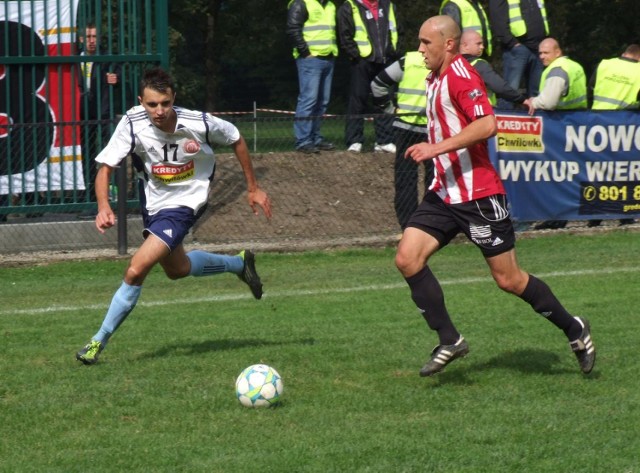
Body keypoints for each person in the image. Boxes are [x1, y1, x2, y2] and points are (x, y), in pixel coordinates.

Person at [396, 15, 595, 378]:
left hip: (478, 196)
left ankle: (574, 329)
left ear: (449, 44)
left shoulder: (461, 75)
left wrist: (435, 148)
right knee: (408, 259)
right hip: (445, 192)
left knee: (509, 280)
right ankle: (450, 340)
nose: (420, 49)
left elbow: (488, 124)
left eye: (426, 43)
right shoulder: (434, 77)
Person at [75, 67, 272, 365]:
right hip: (154, 202)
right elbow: (105, 168)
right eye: (152, 104)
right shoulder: (131, 123)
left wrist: (253, 188)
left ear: (173, 99)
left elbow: (236, 138)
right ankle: (239, 264)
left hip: (187, 201)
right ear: (141, 101)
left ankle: (96, 342)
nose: (159, 111)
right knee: (177, 269)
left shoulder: (198, 122)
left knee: (136, 268)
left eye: (165, 103)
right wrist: (103, 205)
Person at [523, 38, 587, 230]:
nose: (542, 56)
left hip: (561, 125)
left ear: (557, 52)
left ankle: (557, 216)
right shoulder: (572, 65)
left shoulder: (558, 69)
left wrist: (533, 102)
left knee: (557, 174)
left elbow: (549, 102)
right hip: (576, 124)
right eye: (540, 53)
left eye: (546, 53)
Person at [371, 51, 433, 229]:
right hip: (433, 130)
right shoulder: (444, 62)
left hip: (406, 127)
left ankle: (408, 225)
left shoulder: (408, 61)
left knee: (405, 178)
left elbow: (377, 84)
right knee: (436, 178)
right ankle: (433, 221)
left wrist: (389, 110)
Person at [587, 44, 640, 227]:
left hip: (596, 123)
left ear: (624, 53)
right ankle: (625, 215)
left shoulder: (605, 64)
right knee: (623, 170)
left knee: (597, 170)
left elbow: (591, 87)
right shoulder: (639, 70)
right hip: (622, 125)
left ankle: (595, 216)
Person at [337, 0, 401, 154]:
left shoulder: (388, 5)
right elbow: (345, 35)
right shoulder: (349, 6)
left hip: (386, 60)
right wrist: (356, 56)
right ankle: (354, 141)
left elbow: (399, 31)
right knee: (358, 99)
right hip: (363, 61)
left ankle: (384, 140)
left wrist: (394, 52)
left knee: (384, 99)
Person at [79, 23, 127, 213]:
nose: (91, 41)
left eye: (94, 37)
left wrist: (117, 78)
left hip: (104, 113)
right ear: (81, 39)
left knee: (110, 154)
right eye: (88, 37)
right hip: (81, 115)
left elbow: (121, 74)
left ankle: (113, 195)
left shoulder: (107, 58)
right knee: (86, 155)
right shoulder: (75, 59)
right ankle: (89, 195)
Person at [287, 0, 338, 154]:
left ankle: (315, 138)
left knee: (322, 101)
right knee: (309, 100)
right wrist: (305, 52)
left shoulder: (330, 5)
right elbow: (292, 29)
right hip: (311, 59)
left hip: (328, 56)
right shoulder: (301, 3)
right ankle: (303, 140)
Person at [489, 0, 549, 110]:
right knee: (511, 91)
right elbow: (497, 17)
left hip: (537, 47)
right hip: (518, 48)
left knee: (536, 93)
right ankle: (504, 122)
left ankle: (535, 123)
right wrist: (511, 43)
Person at [459, 30, 526, 106]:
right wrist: (521, 99)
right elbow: (499, 87)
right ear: (465, 45)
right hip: (482, 111)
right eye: (478, 44)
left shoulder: (451, 64)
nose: (482, 47)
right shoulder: (478, 64)